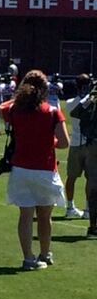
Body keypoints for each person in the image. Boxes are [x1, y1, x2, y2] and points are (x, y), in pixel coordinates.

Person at [1, 70, 70, 270]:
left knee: (25, 215)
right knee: (45, 215)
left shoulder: (14, 110)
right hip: (45, 169)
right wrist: (50, 141)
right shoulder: (52, 111)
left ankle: (28, 257)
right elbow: (64, 142)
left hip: (21, 169)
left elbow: (1, 108)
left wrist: (18, 95)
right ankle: (45, 252)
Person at [69, 78, 97, 239]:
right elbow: (76, 113)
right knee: (94, 186)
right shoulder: (91, 102)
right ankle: (93, 226)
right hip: (93, 146)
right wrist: (90, 97)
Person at [63, 74, 91, 219]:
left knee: (72, 177)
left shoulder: (69, 102)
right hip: (89, 144)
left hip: (75, 143)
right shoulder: (88, 102)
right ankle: (87, 209)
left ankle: (70, 207)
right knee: (90, 178)